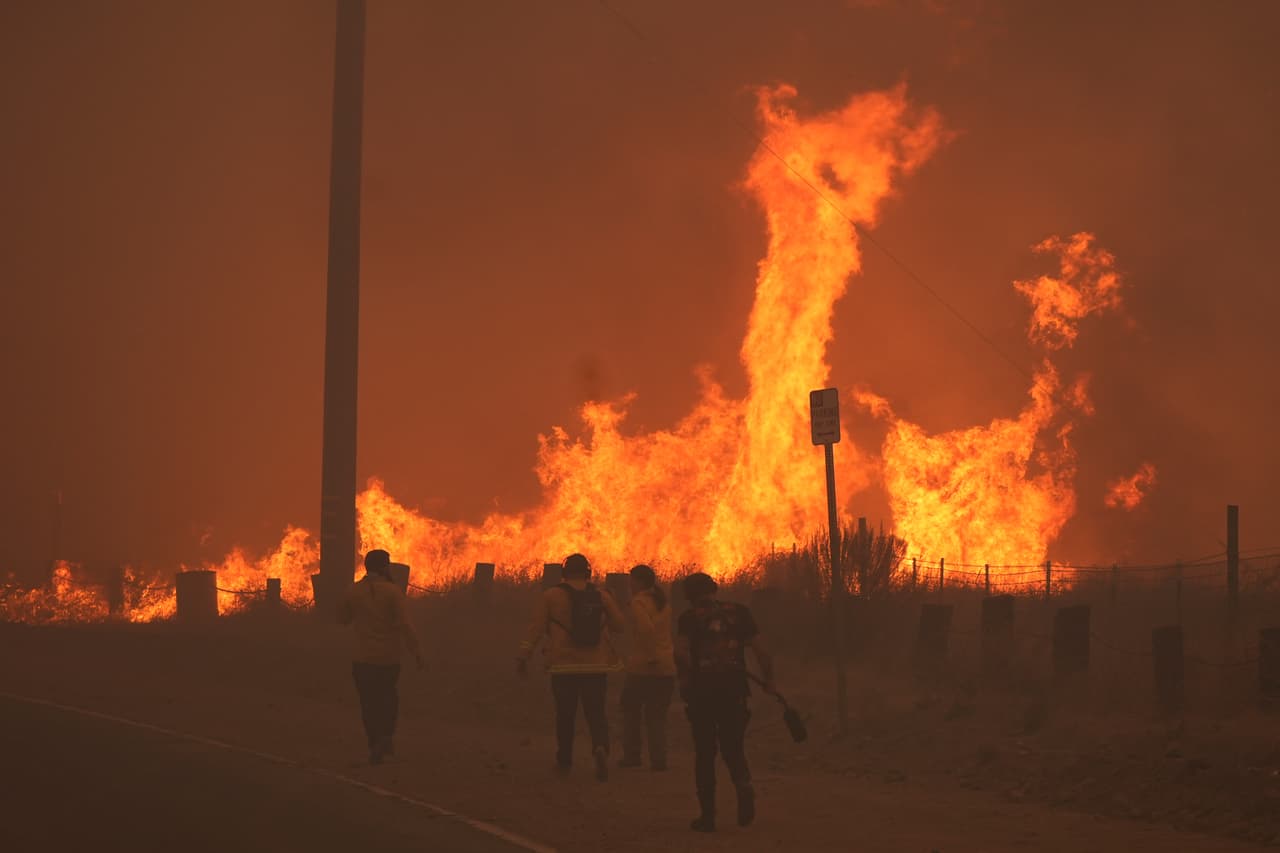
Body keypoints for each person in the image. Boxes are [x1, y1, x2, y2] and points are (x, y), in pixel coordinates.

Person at [675, 571, 777, 833]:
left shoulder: (688, 619)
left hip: (702, 695)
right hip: (734, 692)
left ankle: (707, 817)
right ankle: (744, 787)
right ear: (714, 589)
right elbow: (762, 651)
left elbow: (681, 653)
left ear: (689, 595)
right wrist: (769, 680)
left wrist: (688, 679)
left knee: (705, 753)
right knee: (733, 747)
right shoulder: (739, 613)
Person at [517, 552, 624, 781]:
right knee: (596, 712)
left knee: (565, 714)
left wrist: (523, 655)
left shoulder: (551, 596)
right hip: (596, 666)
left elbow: (535, 629)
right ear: (588, 572)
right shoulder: (601, 596)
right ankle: (600, 747)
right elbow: (620, 626)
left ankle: (564, 758)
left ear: (564, 573)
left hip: (563, 666)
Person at [337, 549, 425, 765]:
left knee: (368, 702)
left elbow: (342, 619)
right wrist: (416, 651)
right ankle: (386, 736)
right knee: (388, 697)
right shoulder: (393, 592)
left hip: (362, 657)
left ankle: (374, 742)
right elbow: (405, 624)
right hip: (389, 657)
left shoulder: (353, 591)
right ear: (385, 567)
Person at [618, 564, 675, 771]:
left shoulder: (638, 603)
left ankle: (632, 756)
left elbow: (646, 629)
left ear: (640, 582)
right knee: (657, 716)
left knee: (631, 711)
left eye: (631, 581)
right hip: (666, 667)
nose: (629, 585)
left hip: (643, 668)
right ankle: (659, 760)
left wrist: (650, 656)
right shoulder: (663, 603)